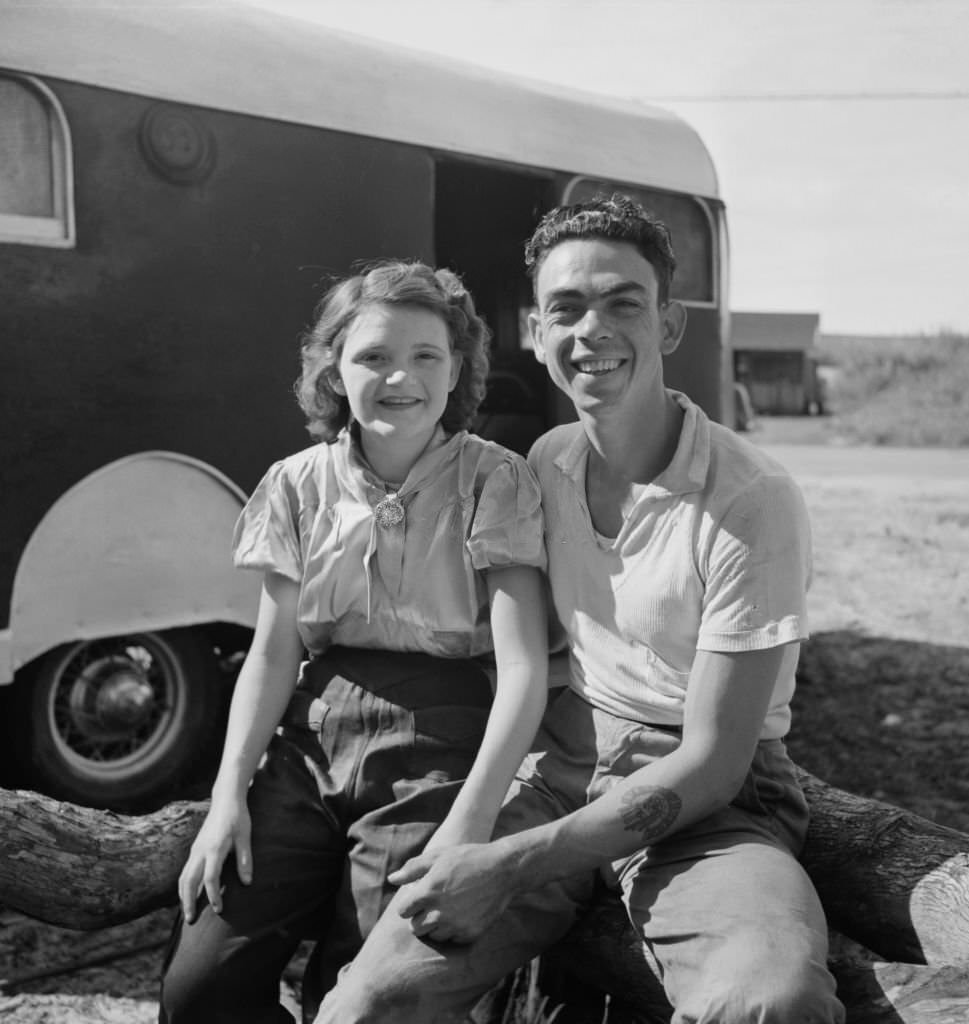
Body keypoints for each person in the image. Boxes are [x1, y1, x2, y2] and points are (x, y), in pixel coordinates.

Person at [312, 196, 846, 1024]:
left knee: (768, 1002)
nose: (590, 329)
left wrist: (505, 864)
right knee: (367, 1002)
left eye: (621, 303)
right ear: (535, 332)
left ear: (668, 325)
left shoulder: (750, 498)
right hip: (564, 765)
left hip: (706, 806)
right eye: (565, 308)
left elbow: (712, 763)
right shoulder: (547, 461)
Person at [158, 261, 550, 1023]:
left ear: (458, 369)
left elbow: (524, 668)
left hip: (443, 738)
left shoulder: (492, 481)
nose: (398, 376)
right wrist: (227, 795)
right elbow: (273, 653)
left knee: (369, 981)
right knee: (200, 986)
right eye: (372, 355)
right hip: (311, 736)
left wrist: (470, 826)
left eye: (425, 356)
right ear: (334, 369)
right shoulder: (298, 484)